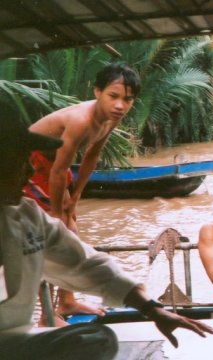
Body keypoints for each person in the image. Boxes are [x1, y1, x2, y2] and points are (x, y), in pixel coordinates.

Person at [0, 118, 213, 360]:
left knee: (97, 340)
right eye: (19, 162)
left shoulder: (28, 216)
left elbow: (86, 264)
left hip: (11, 341)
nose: (30, 172)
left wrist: (152, 309)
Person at [23, 62, 140, 324]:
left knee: (70, 229)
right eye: (114, 96)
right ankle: (47, 315)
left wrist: (74, 199)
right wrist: (56, 212)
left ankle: (66, 302)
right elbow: (56, 171)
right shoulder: (80, 120)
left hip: (53, 167)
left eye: (128, 99)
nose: (120, 105)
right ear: (98, 92)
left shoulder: (109, 119)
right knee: (53, 233)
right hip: (29, 163)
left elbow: (92, 156)